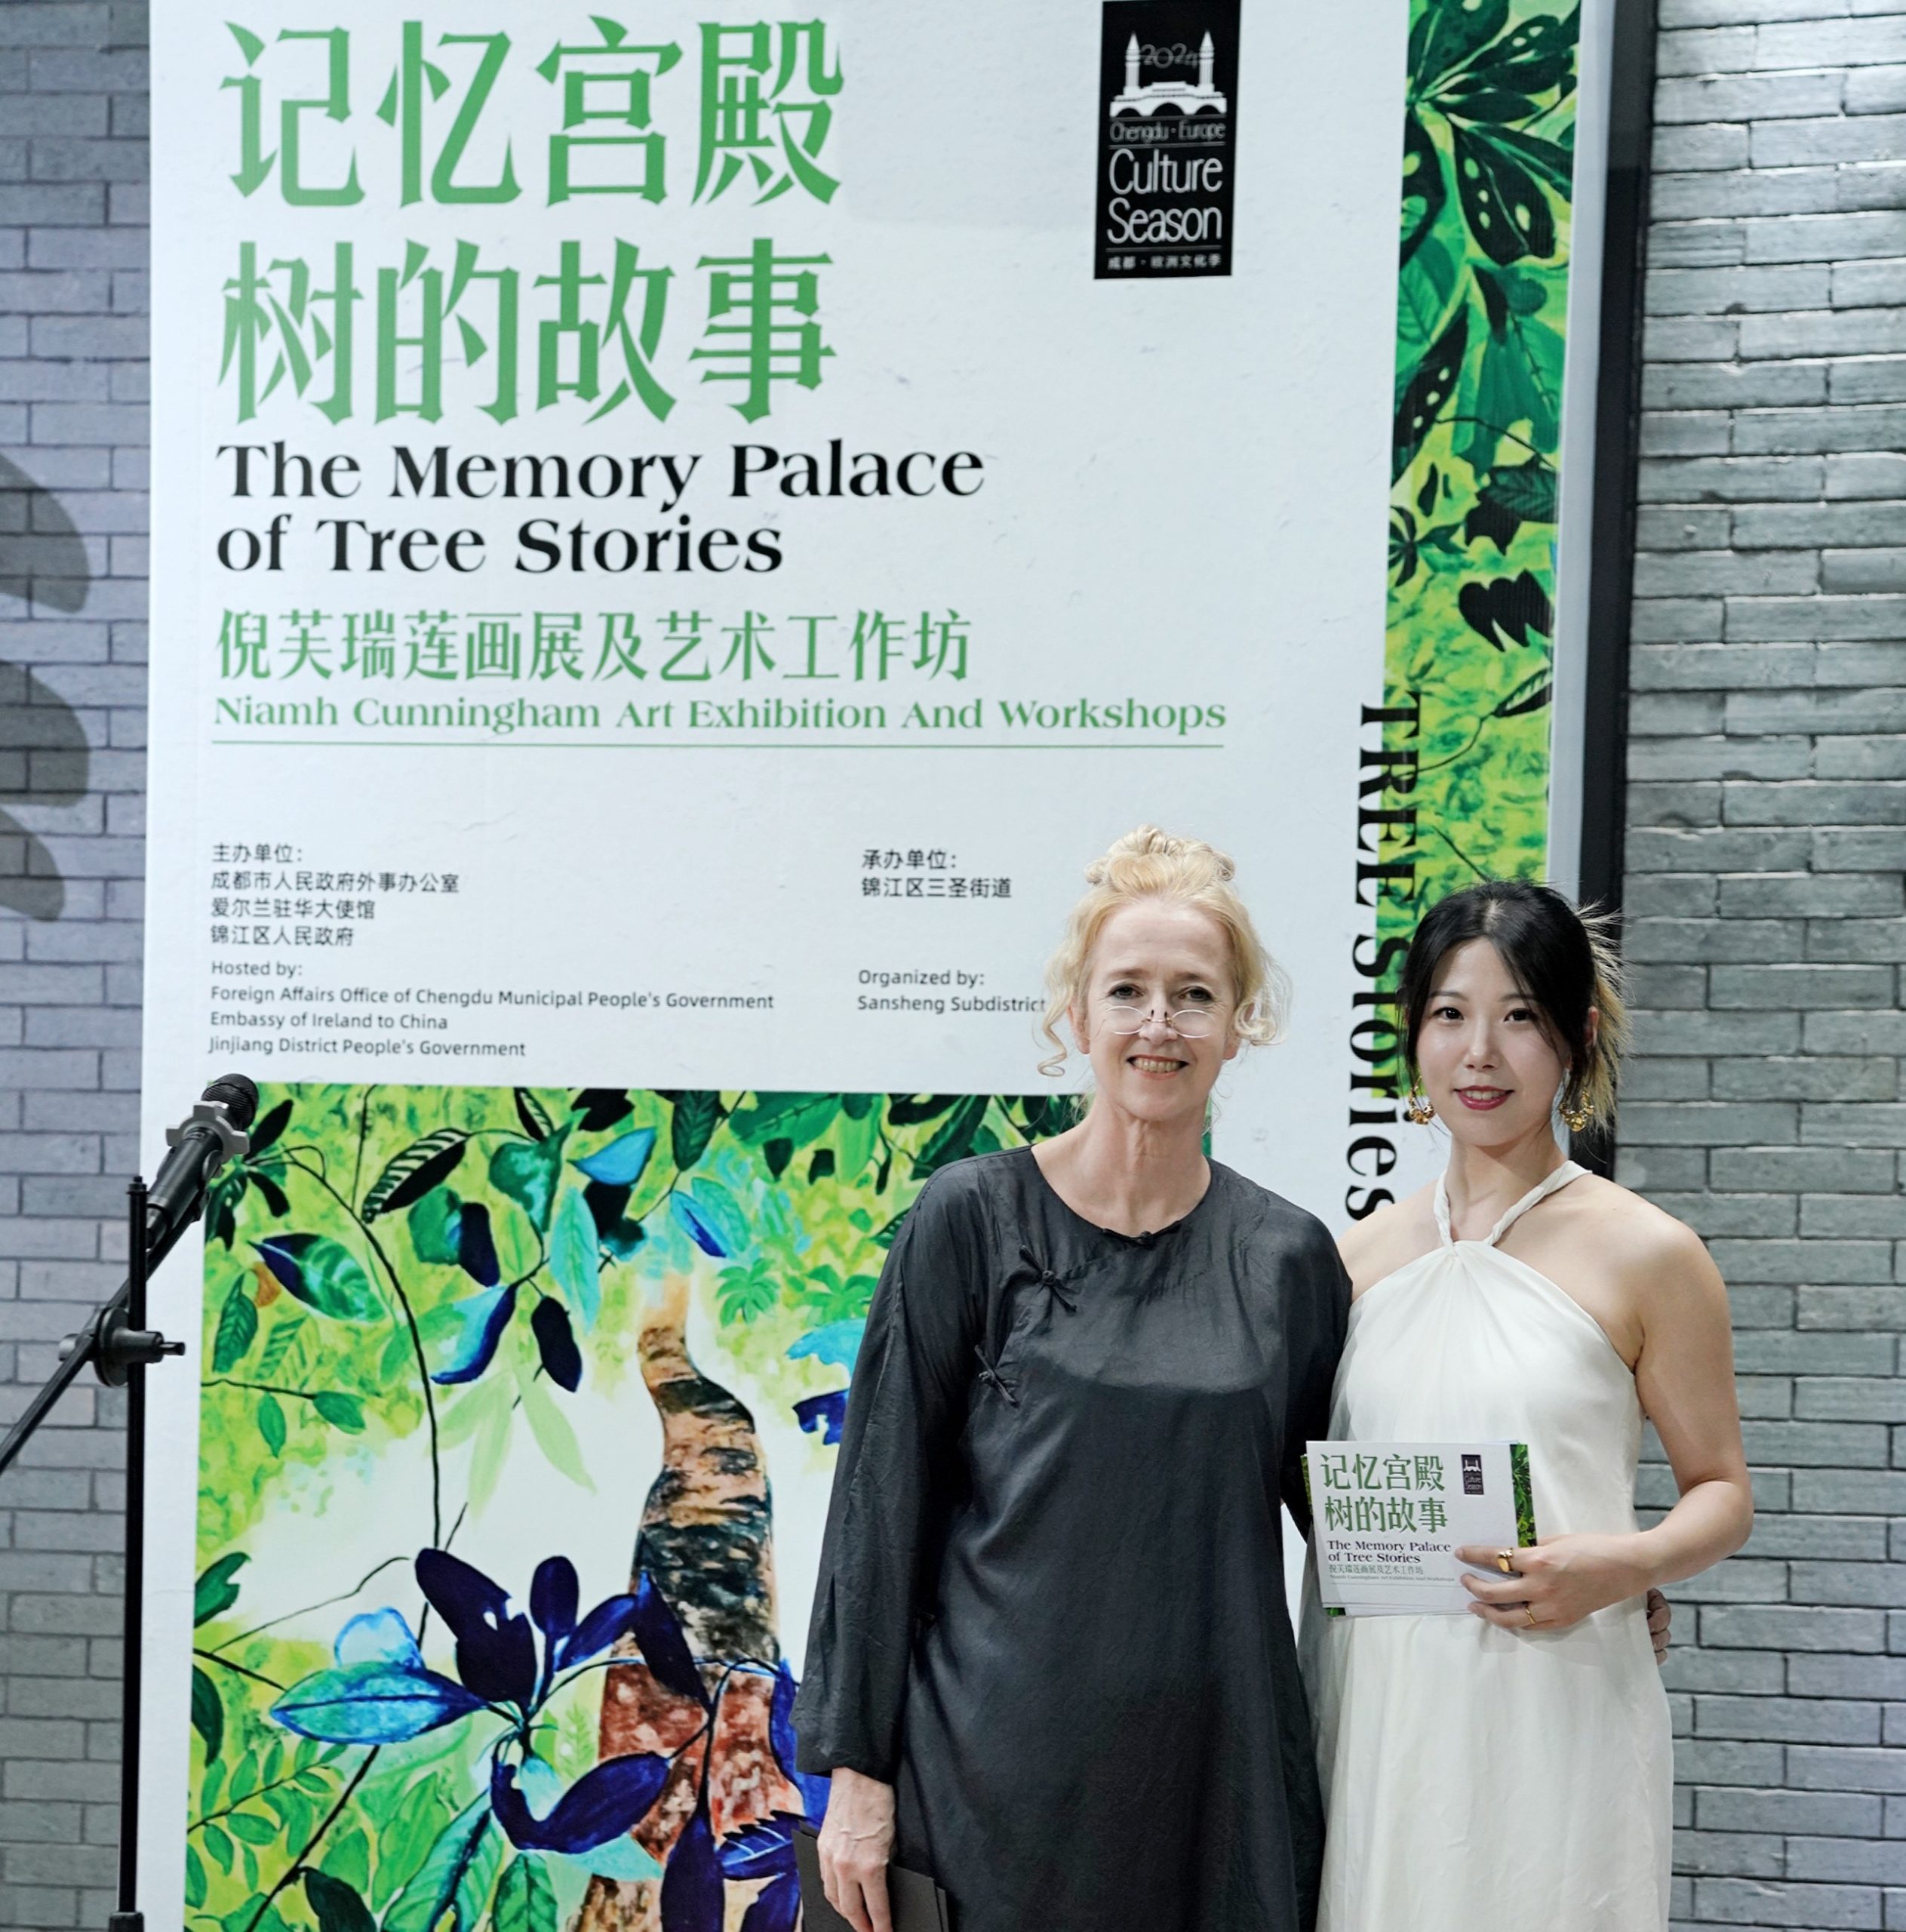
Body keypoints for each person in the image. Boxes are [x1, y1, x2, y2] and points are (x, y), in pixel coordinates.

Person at [793, 826, 1350, 1932]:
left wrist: (1557, 1575)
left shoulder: (1288, 1258)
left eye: (1194, 996)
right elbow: (878, 1506)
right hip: (982, 1780)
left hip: (1208, 1789)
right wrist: (855, 1775)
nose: (1158, 1024)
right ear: (1076, 1015)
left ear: (1240, 1024)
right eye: (1127, 991)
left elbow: (1352, 1517)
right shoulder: (967, 1216)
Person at [1300, 880, 1753, 1930]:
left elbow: (1721, 1491)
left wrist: (1628, 1564)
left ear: (1577, 1037)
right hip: (1376, 1702)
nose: (1480, 1054)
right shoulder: (1350, 1259)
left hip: (1558, 1690)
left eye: (1518, 1018)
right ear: (1412, 1036)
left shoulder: (1649, 1253)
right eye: (1449, 1015)